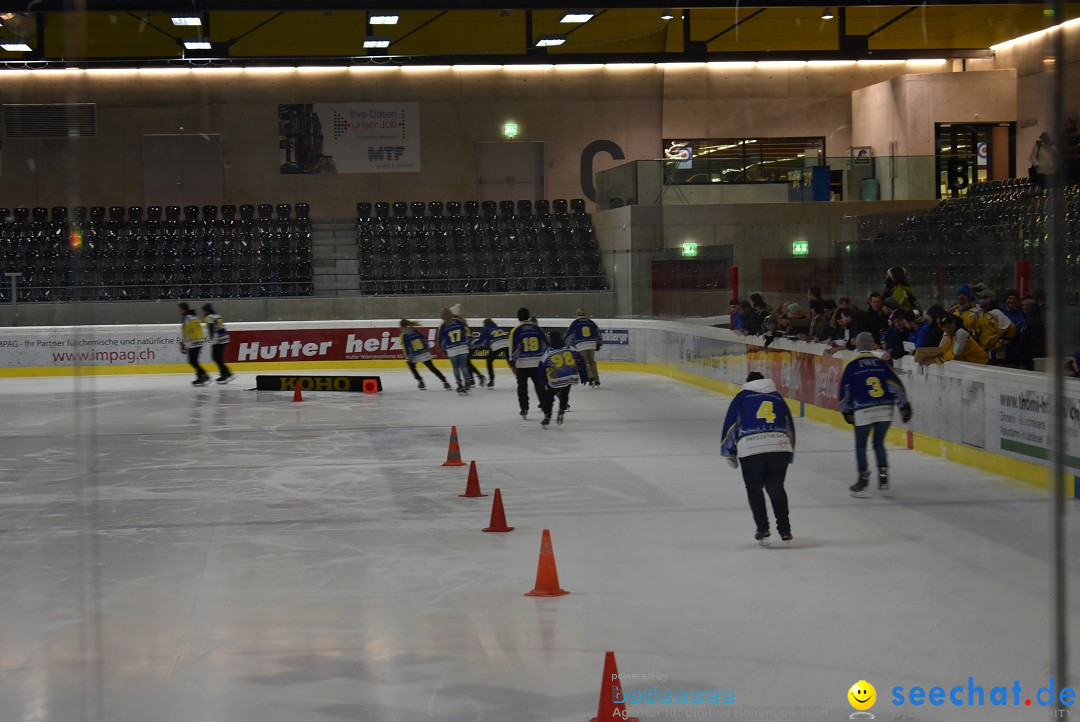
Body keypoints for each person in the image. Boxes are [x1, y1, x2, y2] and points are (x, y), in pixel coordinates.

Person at [721, 371, 796, 546]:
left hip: (751, 447)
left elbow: (731, 425)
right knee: (776, 487)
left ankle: (763, 529)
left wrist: (729, 451)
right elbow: (789, 425)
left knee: (754, 488)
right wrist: (789, 452)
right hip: (779, 446)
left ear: (748, 383)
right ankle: (785, 530)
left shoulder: (742, 397)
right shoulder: (777, 397)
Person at [840, 332, 913, 498]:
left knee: (861, 445)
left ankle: (863, 481)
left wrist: (846, 410)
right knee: (878, 444)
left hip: (863, 411)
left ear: (857, 345)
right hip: (884, 410)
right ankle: (883, 477)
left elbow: (846, 391)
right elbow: (895, 386)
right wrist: (904, 407)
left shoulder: (852, 365)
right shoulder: (881, 363)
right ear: (872, 344)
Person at [536, 330, 589, 427]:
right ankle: (562, 410)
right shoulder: (571, 348)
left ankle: (547, 416)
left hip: (555, 379)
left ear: (551, 339)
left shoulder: (548, 352)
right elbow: (581, 361)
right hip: (570, 376)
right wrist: (584, 376)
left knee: (549, 396)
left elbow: (541, 368)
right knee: (564, 394)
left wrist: (542, 381)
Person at [508, 307, 548, 419]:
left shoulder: (516, 330)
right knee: (540, 387)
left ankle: (524, 409)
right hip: (537, 363)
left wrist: (512, 363)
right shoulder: (537, 329)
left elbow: (514, 349)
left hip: (522, 365)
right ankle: (545, 409)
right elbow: (545, 345)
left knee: (522, 388)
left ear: (519, 317)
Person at [399, 319, 450, 390]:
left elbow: (406, 347)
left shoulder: (404, 335)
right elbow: (424, 340)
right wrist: (427, 350)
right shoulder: (415, 330)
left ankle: (420, 381)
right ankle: (445, 381)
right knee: (432, 368)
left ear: (401, 326)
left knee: (412, 367)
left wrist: (408, 357)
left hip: (415, 354)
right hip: (424, 352)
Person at [437, 307, 472, 393]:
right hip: (463, 346)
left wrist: (442, 349)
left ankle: (459, 385)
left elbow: (440, 339)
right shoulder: (459, 321)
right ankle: (467, 381)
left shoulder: (443, 325)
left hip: (452, 348)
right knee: (463, 366)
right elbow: (465, 331)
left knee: (456, 367)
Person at [565, 308, 602, 387]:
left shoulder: (575, 323)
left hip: (581, 345)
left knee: (583, 362)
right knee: (592, 362)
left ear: (577, 315)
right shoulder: (591, 322)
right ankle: (597, 380)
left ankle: (590, 377)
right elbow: (598, 332)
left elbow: (568, 335)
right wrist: (598, 343)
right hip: (592, 344)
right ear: (585, 314)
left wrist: (566, 345)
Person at [471, 318, 510, 388]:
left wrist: (471, 345)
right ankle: (519, 376)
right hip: (507, 344)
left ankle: (491, 380)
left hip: (497, 344)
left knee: (489, 360)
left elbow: (481, 343)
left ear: (485, 324)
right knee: (510, 362)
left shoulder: (487, 330)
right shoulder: (498, 328)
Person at [201, 303, 234, 384]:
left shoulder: (209, 317)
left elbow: (211, 329)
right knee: (217, 358)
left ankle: (226, 374)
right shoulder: (217, 315)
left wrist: (212, 340)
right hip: (224, 337)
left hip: (218, 339)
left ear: (205, 311)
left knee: (216, 358)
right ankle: (226, 373)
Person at [179, 302, 210, 386]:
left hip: (194, 340)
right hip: (199, 339)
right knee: (194, 361)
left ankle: (204, 375)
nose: (180, 311)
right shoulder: (194, 316)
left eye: (180, 309)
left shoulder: (186, 317)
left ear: (183, 309)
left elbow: (187, 330)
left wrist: (183, 342)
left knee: (192, 361)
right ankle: (201, 377)